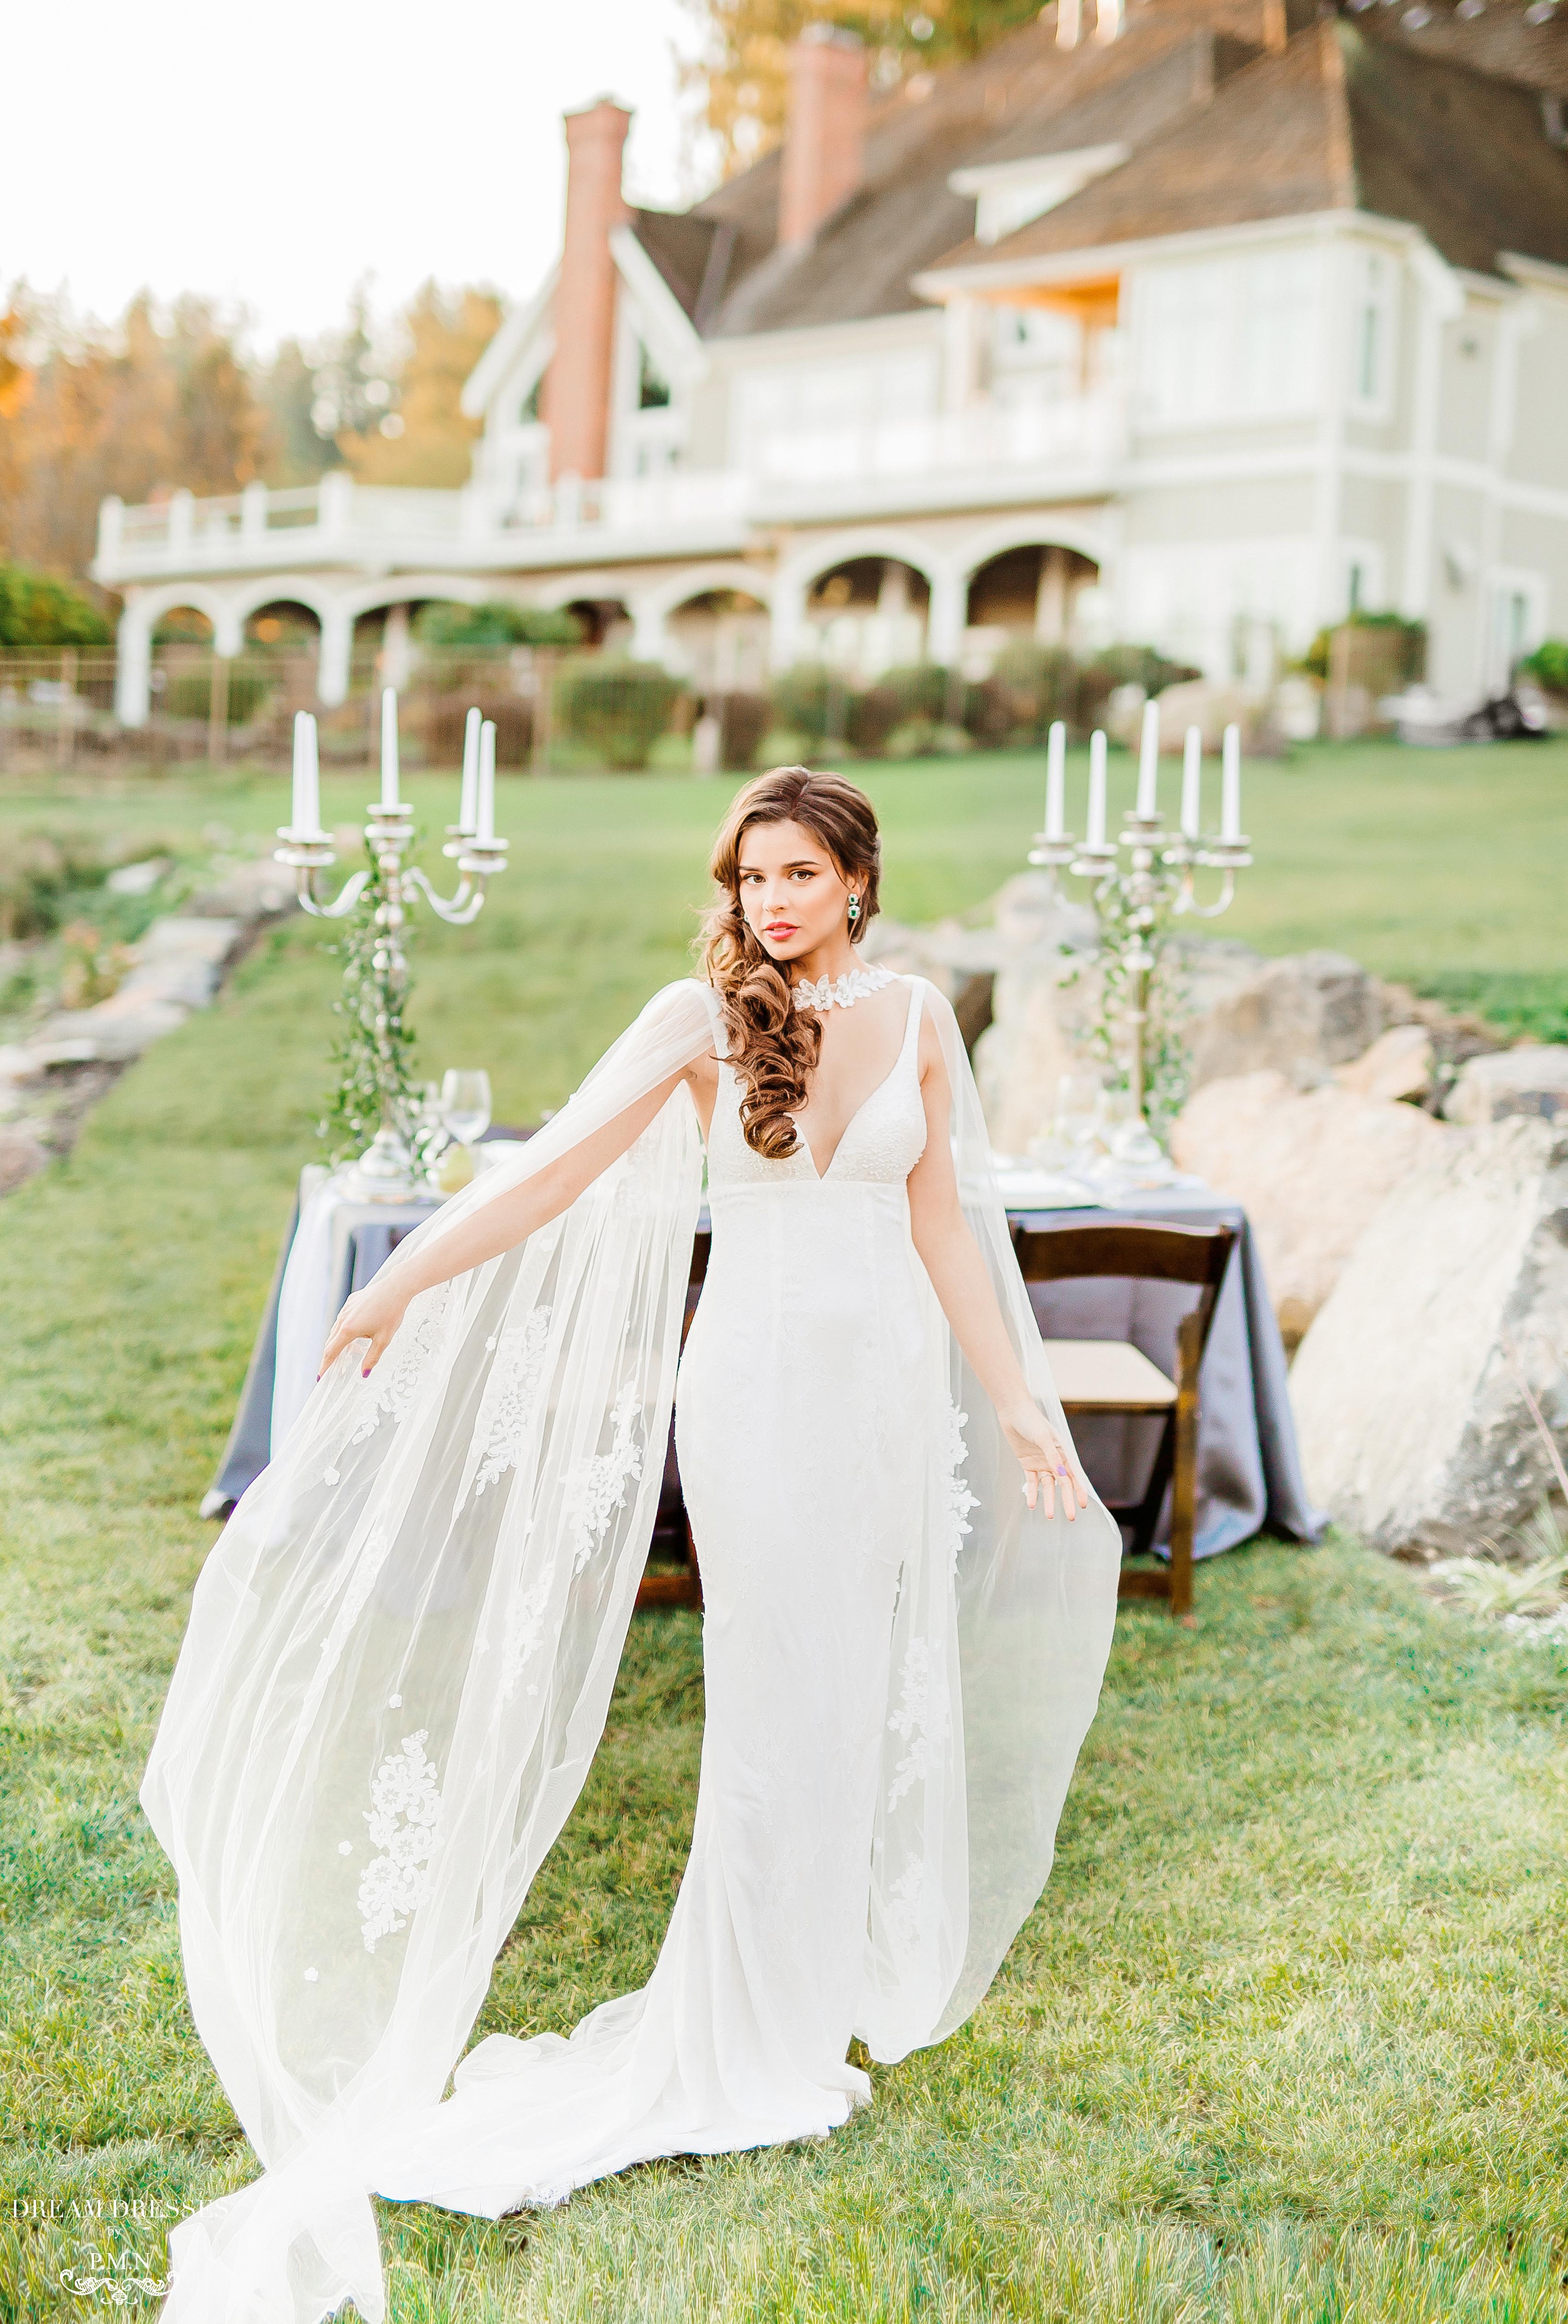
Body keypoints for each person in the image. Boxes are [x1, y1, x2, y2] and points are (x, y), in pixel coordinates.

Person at [141, 767, 1122, 2324]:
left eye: (798, 871)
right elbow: (540, 1174)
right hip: (751, 1394)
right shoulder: (698, 1016)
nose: (771, 901)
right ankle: (727, 2033)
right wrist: (397, 1284)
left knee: (847, 1685)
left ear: (859, 879)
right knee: (767, 1695)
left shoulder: (924, 1017)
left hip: (879, 1397)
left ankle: (797, 2008)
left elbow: (942, 1224)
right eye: (749, 876)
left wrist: (1016, 1402)